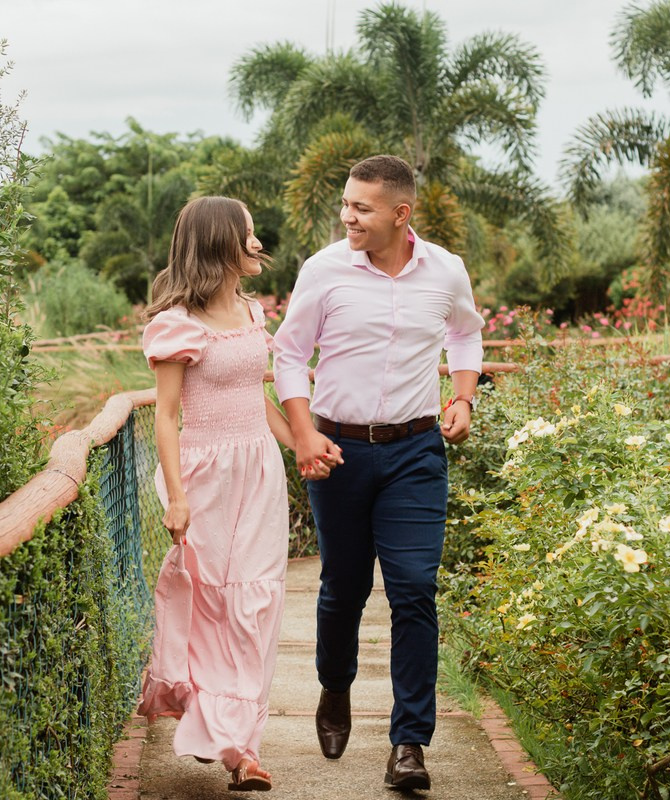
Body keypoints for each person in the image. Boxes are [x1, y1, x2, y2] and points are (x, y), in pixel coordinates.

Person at [272, 155, 484, 791]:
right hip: (338, 451)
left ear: (400, 213)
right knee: (344, 586)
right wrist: (304, 433)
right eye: (345, 203)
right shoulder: (324, 270)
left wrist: (463, 396)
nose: (347, 216)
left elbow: (465, 336)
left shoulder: (445, 270)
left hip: (416, 452)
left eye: (361, 207)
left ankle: (409, 743)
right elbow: (288, 354)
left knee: (414, 589)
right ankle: (335, 687)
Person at [137, 196, 341, 792]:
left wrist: (302, 443)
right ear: (218, 242)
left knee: (256, 604)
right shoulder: (177, 323)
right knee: (212, 604)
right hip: (203, 476)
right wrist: (177, 498)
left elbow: (257, 398)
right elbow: (166, 417)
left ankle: (241, 744)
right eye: (246, 234)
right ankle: (225, 737)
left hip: (258, 472)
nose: (257, 243)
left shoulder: (253, 313)